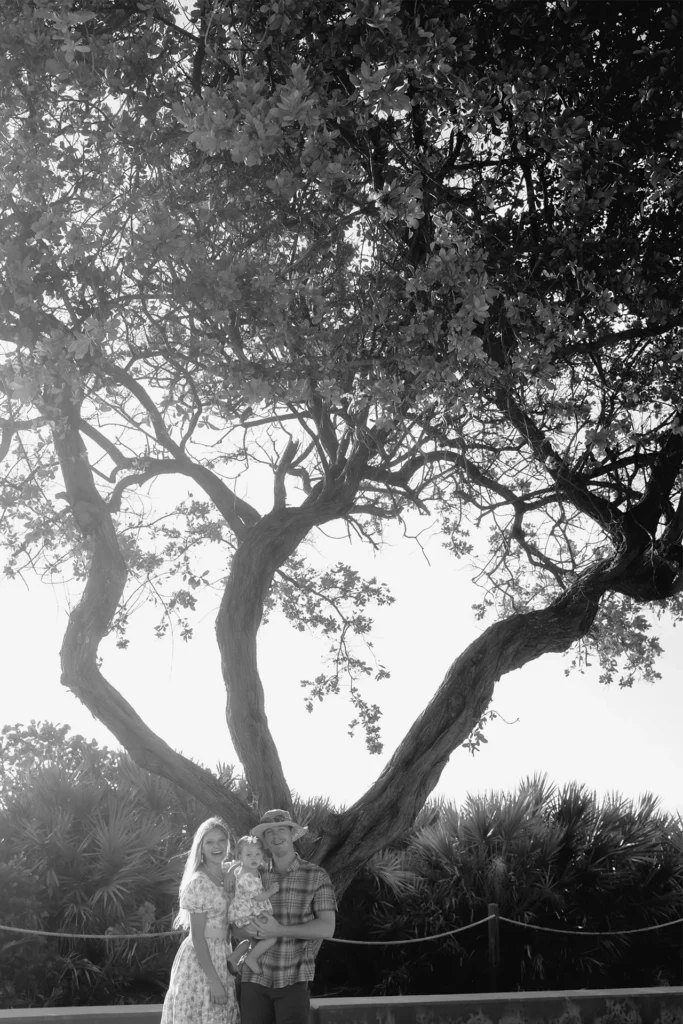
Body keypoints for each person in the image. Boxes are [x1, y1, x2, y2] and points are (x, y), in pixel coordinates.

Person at [235, 808, 336, 1024]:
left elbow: (328, 928)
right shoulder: (252, 875)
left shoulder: (316, 875)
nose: (276, 835)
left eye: (281, 829)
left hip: (293, 979)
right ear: (264, 840)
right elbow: (235, 926)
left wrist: (279, 930)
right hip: (253, 979)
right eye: (269, 832)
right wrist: (250, 930)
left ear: (292, 834)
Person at [161, 817, 240, 1024]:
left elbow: (252, 861)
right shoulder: (198, 883)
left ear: (228, 844)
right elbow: (197, 937)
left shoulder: (227, 873)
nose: (217, 847)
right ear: (201, 848)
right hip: (201, 960)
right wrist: (214, 981)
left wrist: (234, 870)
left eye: (221, 841)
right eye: (209, 842)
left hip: (223, 953)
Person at [226, 835, 280, 975]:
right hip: (246, 916)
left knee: (250, 940)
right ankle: (251, 958)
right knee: (271, 936)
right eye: (248, 855)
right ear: (240, 857)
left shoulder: (249, 870)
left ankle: (233, 958)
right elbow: (258, 897)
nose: (254, 858)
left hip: (247, 914)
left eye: (257, 854)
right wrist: (271, 890)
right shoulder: (247, 877)